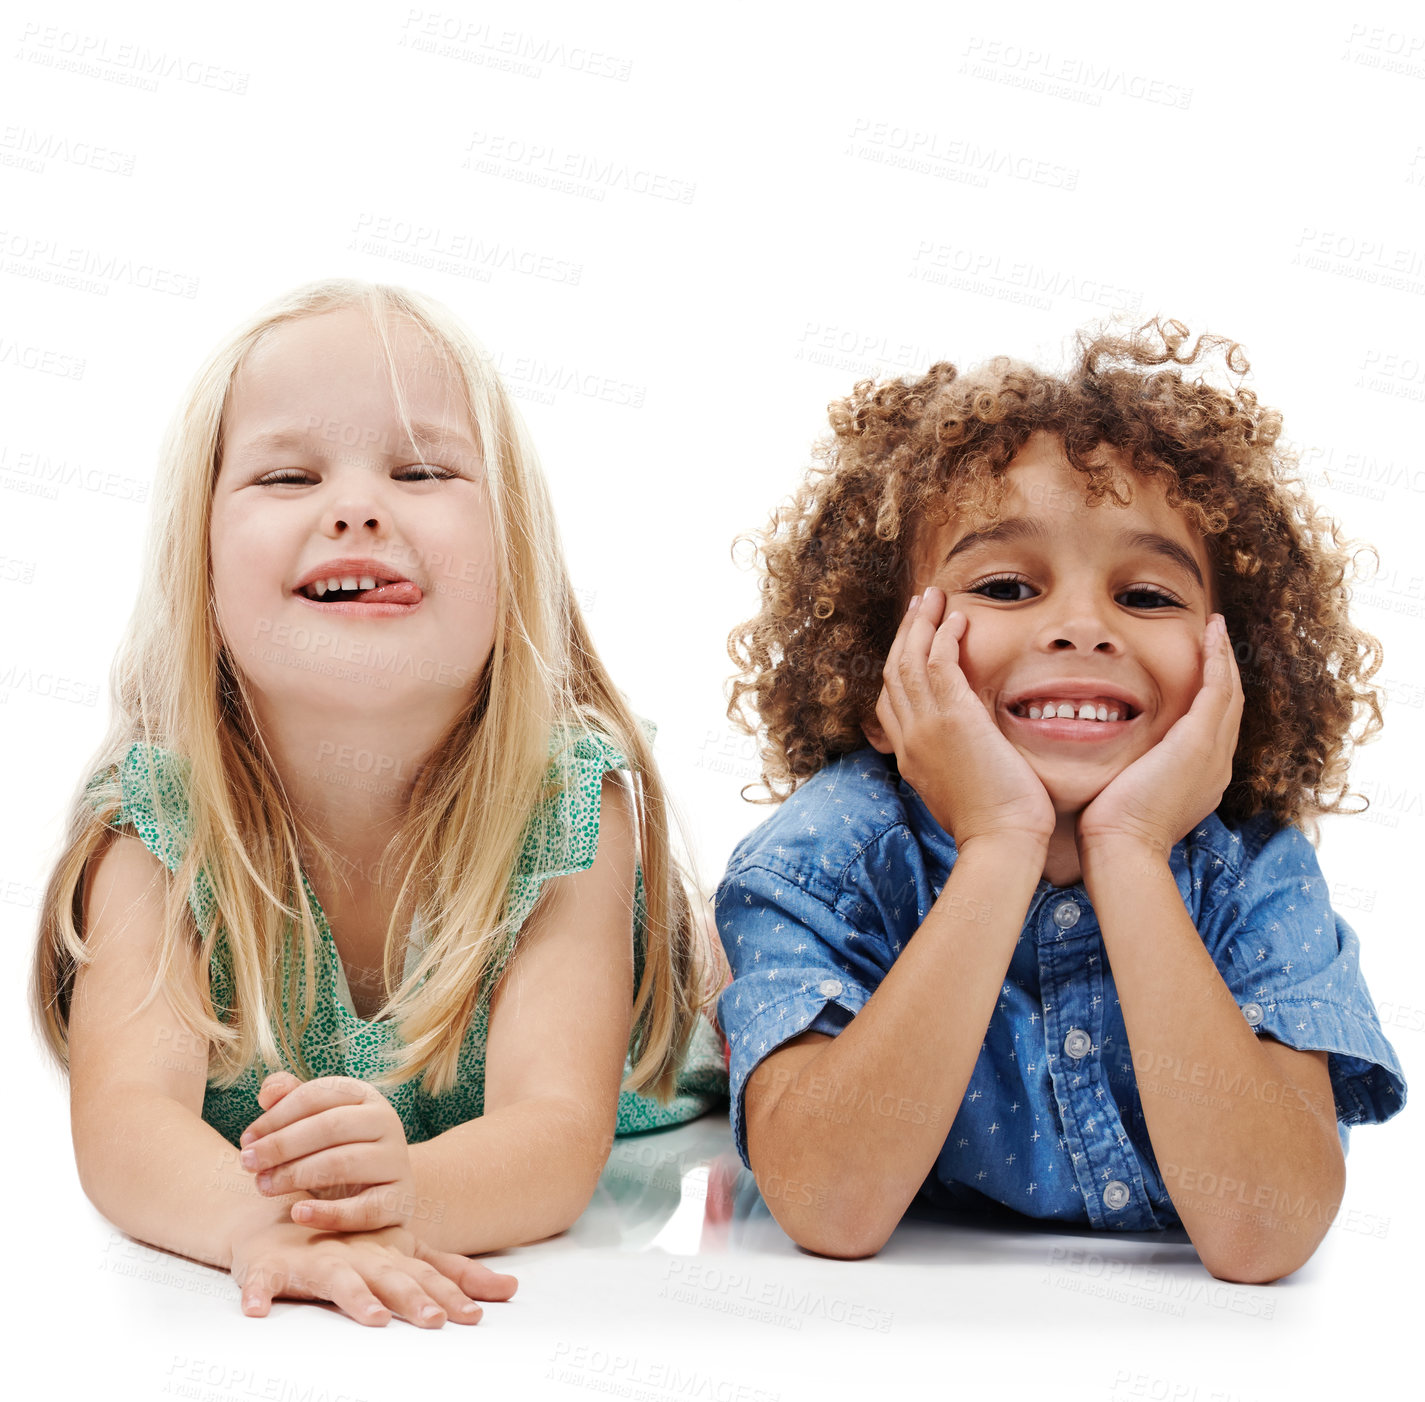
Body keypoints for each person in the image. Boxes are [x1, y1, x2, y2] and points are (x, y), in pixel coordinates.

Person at [31, 278, 728, 1328]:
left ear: (512, 555)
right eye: (286, 473)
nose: (355, 506)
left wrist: (416, 1194)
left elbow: (554, 1130)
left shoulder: (573, 804)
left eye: (420, 468)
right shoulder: (155, 825)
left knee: (748, 988)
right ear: (202, 569)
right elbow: (126, 1118)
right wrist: (253, 1226)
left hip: (683, 1051)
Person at [713, 319, 1406, 1283]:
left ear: (1234, 670)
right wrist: (1000, 840)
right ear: (884, 678)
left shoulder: (1252, 872)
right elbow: (830, 1205)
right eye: (1005, 584)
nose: (1082, 627)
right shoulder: (820, 861)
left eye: (1150, 598)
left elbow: (1266, 1234)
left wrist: (1129, 846)